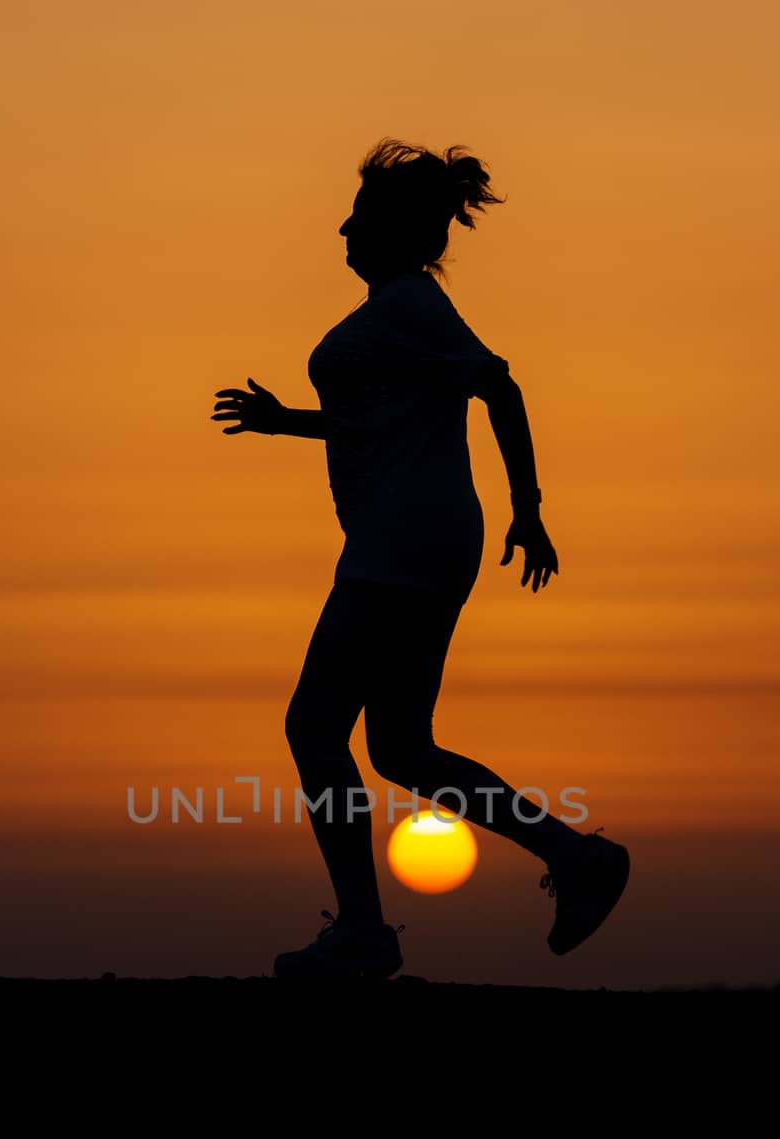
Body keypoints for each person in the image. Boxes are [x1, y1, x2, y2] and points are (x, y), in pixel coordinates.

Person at [212, 138, 629, 979]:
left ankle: (364, 932)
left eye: (358, 217)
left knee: (314, 726)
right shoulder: (394, 317)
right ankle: (574, 858)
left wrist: (532, 512)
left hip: (406, 538)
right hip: (416, 538)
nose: (341, 228)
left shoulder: (410, 304)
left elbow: (498, 385)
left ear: (395, 232)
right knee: (400, 747)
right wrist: (282, 420)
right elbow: (376, 421)